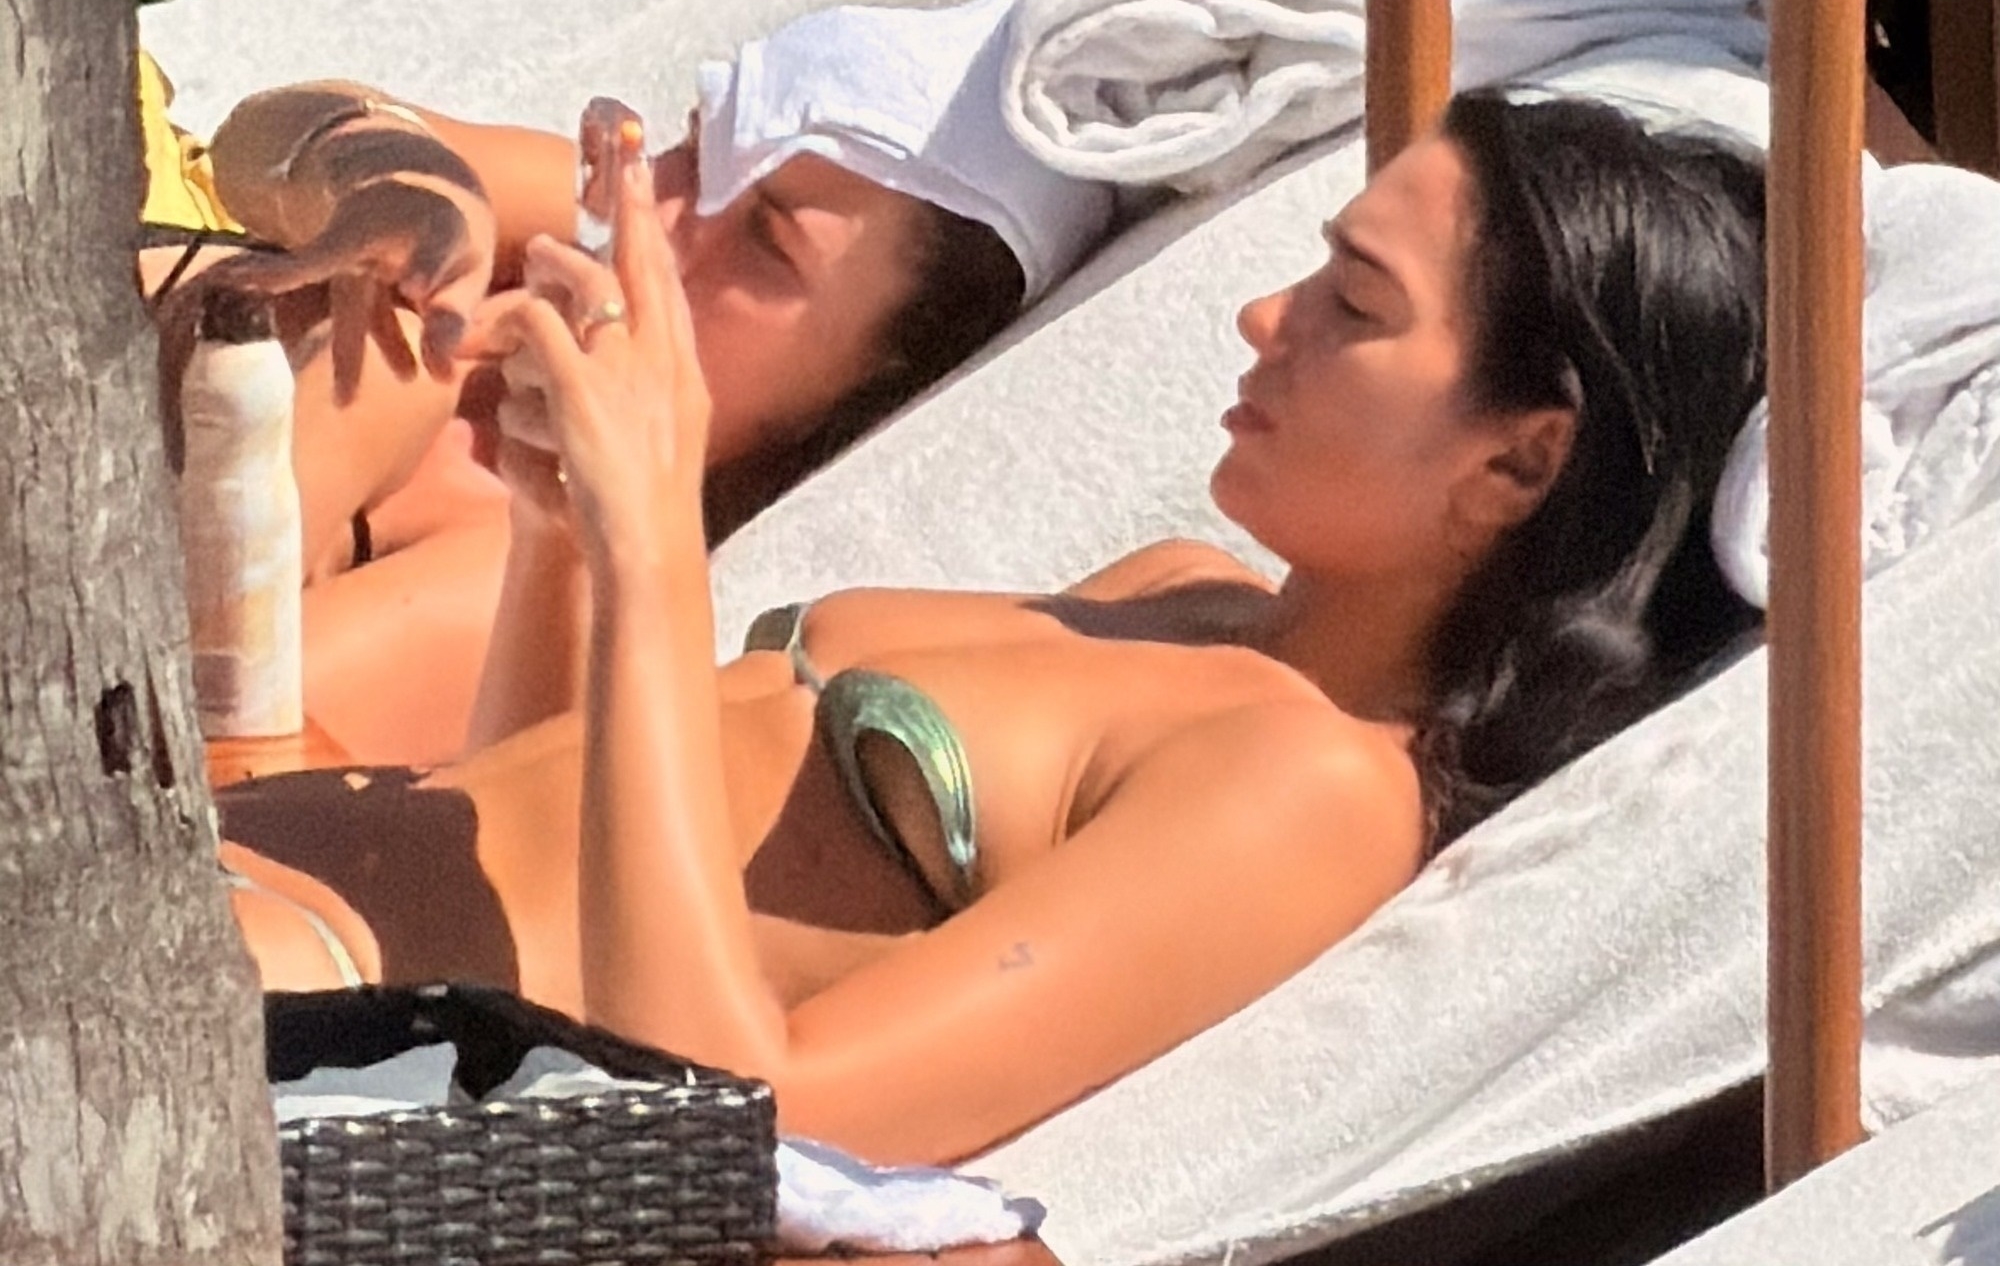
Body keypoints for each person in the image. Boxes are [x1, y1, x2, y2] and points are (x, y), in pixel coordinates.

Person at [216, 89, 1769, 1166]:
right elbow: (554, 816)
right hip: (244, 871)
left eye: (1355, 306)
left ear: (1518, 463)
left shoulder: (1312, 790)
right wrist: (566, 532)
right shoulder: (1175, 596)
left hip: (299, 1025)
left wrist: (651, 545)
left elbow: (744, 1117)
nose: (1265, 317)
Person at [151, 0, 1114, 760]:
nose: (664, 218)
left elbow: (159, 754)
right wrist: (397, 182)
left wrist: (326, 440)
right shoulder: (573, 229)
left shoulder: (524, 577)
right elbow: (258, 138)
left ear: (844, 408)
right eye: (695, 149)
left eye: (768, 245)